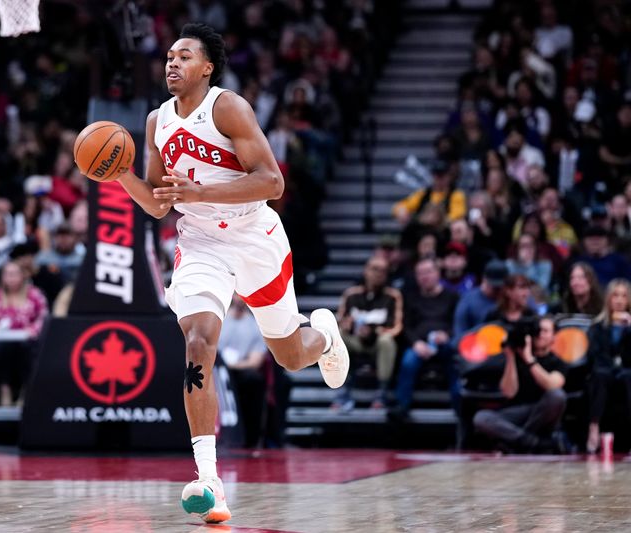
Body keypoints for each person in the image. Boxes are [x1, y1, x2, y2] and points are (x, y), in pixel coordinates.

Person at [113, 23, 349, 524]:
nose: (171, 63)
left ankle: (324, 337)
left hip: (254, 238)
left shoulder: (228, 107)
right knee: (199, 341)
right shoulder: (157, 121)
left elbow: (271, 181)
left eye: (183, 56)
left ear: (207, 67)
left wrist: (198, 194)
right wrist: (120, 175)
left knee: (288, 355)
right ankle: (208, 480)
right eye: (169, 56)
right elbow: (160, 206)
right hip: (201, 243)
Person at [473, 316, 568, 452]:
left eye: (545, 331)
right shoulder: (516, 357)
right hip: (516, 412)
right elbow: (509, 392)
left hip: (542, 414)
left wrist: (529, 359)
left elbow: (551, 386)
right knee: (481, 418)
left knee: (557, 396)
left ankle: (515, 443)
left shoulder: (558, 362)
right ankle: (532, 443)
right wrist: (511, 357)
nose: (540, 334)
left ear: (554, 337)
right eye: (538, 330)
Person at [334, 255, 402, 410]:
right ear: (366, 271)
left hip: (378, 344)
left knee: (386, 340)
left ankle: (382, 393)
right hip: (356, 341)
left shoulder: (393, 296)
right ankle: (342, 391)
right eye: (374, 269)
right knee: (338, 335)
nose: (378, 273)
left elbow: (396, 327)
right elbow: (341, 321)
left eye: (383, 270)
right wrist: (351, 328)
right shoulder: (351, 295)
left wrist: (373, 331)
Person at [394, 258, 459, 417]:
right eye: (420, 273)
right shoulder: (409, 297)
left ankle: (460, 407)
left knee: (456, 362)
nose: (424, 277)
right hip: (419, 344)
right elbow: (405, 326)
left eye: (428, 272)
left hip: (445, 343)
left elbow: (458, 324)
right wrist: (416, 343)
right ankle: (402, 407)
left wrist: (447, 335)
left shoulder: (452, 297)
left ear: (438, 273)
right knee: (408, 362)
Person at [0, 261, 48, 406]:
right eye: (7, 274)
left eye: (14, 274)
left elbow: (43, 317)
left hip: (28, 338)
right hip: (3, 339)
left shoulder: (35, 294)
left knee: (25, 348)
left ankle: (26, 392)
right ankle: (4, 390)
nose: (11, 278)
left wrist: (33, 330)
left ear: (22, 276)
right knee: (2, 349)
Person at [584, 279, 631, 454]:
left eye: (624, 296)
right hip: (605, 372)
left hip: (626, 373)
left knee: (629, 376)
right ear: (608, 300)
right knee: (600, 374)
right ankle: (594, 427)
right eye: (615, 295)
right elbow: (594, 357)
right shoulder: (597, 327)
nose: (619, 300)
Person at [217, 295, 268, 447]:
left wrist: (233, 366)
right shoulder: (220, 320)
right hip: (216, 368)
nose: (239, 300)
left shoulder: (254, 326)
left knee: (254, 380)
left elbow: (255, 361)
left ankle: (251, 439)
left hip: (239, 369)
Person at [453, 259, 509, 339]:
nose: (497, 291)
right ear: (484, 280)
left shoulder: (513, 297)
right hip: (476, 346)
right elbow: (459, 336)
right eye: (494, 287)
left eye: (500, 287)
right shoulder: (468, 300)